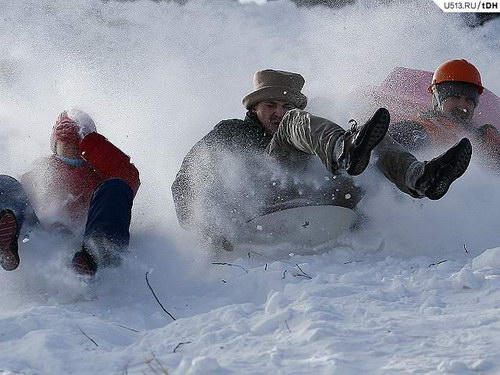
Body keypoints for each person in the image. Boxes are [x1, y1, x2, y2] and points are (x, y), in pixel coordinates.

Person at [172, 69, 472, 250]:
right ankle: (345, 149)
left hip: (317, 198)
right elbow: (186, 180)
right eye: (270, 105)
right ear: (254, 108)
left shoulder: (310, 127)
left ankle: (419, 178)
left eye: (286, 105)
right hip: (262, 207)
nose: (278, 112)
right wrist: (207, 230)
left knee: (366, 130)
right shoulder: (233, 132)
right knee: (297, 123)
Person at [0, 109, 140, 276]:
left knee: (117, 186)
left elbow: (128, 179)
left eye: (77, 146)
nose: (70, 152)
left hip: (87, 236)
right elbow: (23, 196)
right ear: (54, 145)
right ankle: (7, 235)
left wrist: (92, 143)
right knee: (5, 182)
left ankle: (97, 254)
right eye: (65, 146)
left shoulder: (100, 174)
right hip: (41, 234)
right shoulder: (44, 167)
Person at [389, 59, 499, 169]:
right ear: (437, 99)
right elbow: (385, 142)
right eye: (455, 97)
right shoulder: (423, 126)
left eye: (469, 101)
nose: (462, 106)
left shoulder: (485, 137)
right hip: (426, 180)